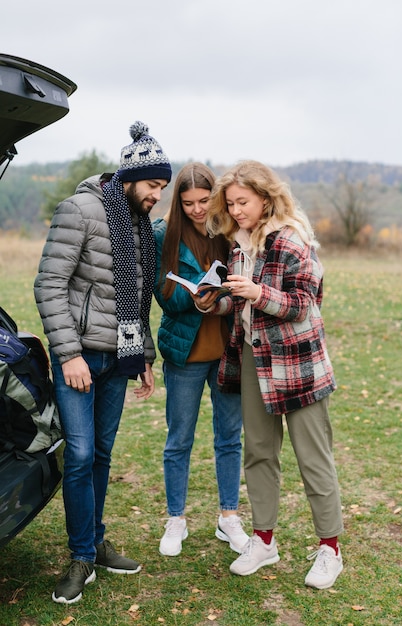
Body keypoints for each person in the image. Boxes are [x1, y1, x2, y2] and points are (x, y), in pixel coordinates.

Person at [34, 121, 172, 604]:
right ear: (132, 178)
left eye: (162, 188)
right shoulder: (80, 209)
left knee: (101, 455)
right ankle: (80, 557)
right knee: (78, 455)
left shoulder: (136, 222)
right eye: (154, 185)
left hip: (119, 358)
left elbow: (136, 296)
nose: (158, 195)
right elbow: (49, 284)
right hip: (80, 358)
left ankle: (95, 542)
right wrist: (68, 354)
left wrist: (144, 356)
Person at [193, 160, 344, 590]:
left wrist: (258, 292)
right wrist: (212, 301)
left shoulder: (293, 239)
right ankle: (263, 541)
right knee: (258, 453)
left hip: (299, 366)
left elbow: (302, 303)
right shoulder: (238, 244)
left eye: (243, 202)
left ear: (265, 197)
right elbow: (240, 303)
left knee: (313, 458)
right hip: (254, 363)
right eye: (231, 203)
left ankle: (330, 549)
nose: (236, 210)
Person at [152, 162, 249, 557]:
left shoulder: (229, 232)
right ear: (179, 201)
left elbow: (241, 288)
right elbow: (162, 293)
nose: (196, 209)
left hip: (228, 350)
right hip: (185, 353)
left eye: (203, 200)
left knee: (229, 438)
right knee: (179, 439)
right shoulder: (164, 234)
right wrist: (190, 299)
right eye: (188, 202)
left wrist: (221, 300)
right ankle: (176, 519)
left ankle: (229, 517)